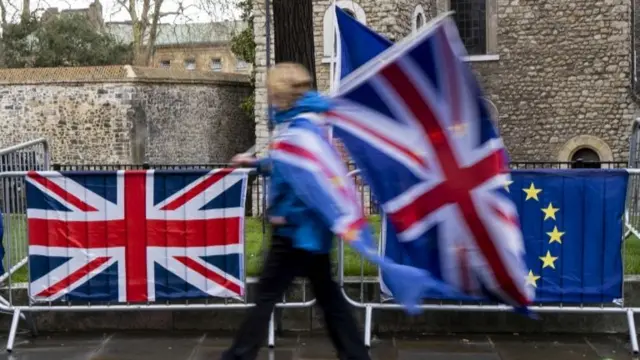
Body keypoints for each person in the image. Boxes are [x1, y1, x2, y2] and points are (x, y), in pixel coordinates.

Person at [221, 63, 371, 360]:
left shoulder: (300, 128)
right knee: (328, 298)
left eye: (272, 92)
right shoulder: (303, 123)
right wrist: (254, 164)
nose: (270, 98)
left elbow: (307, 181)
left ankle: (238, 356)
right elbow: (287, 166)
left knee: (266, 296)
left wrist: (284, 214)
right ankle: (355, 355)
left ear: (282, 95)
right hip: (311, 232)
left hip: (294, 230)